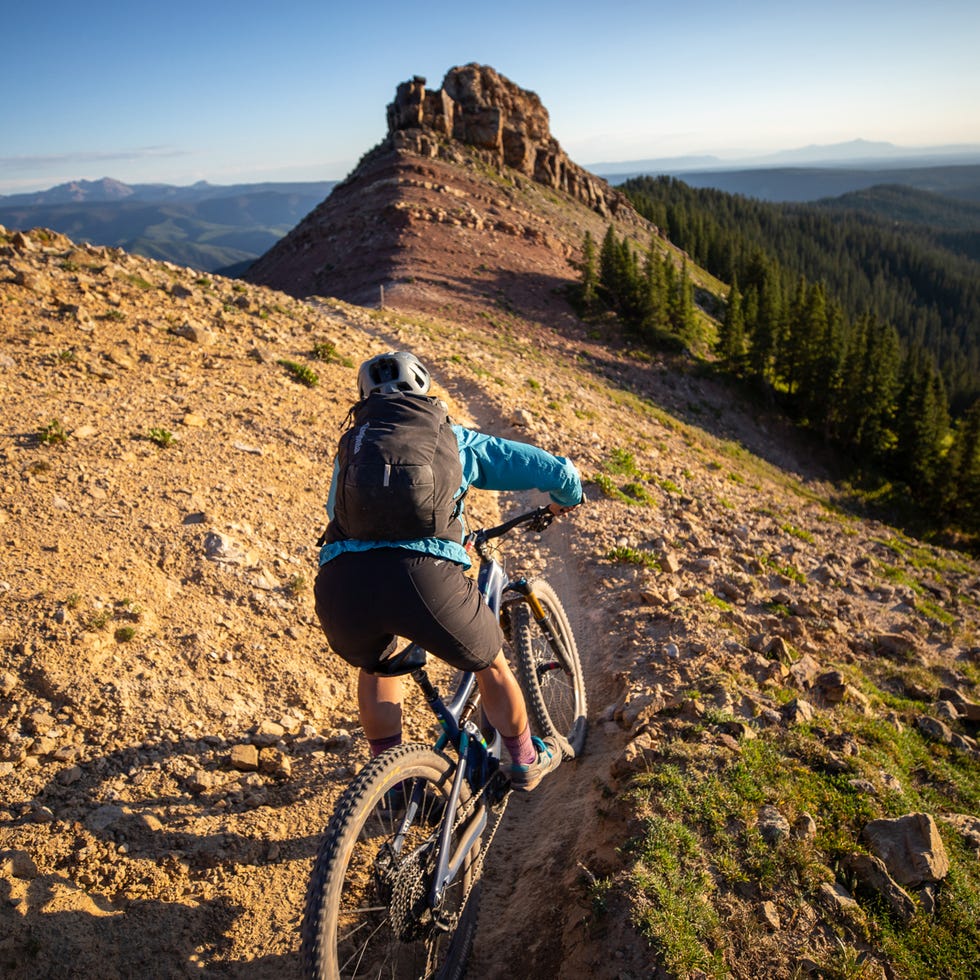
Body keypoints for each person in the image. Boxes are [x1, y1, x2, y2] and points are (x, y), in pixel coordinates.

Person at [314, 351, 583, 791]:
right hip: (424, 579)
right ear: (424, 392)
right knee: (492, 664)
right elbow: (548, 468)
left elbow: (338, 514)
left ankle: (392, 785)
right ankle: (522, 760)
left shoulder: (354, 447)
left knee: (378, 668)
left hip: (344, 586)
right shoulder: (454, 440)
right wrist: (566, 496)